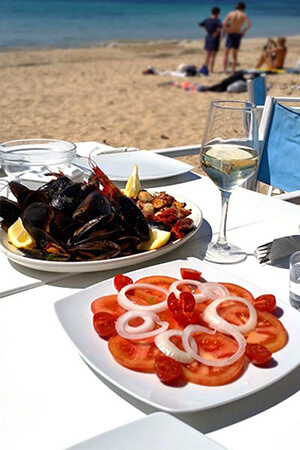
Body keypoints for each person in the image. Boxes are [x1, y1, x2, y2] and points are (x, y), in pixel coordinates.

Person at [223, 2, 251, 74]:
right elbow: (248, 25)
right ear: (243, 8)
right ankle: (232, 72)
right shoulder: (243, 15)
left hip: (230, 34)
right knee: (234, 55)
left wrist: (227, 31)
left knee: (226, 54)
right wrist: (243, 32)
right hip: (237, 34)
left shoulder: (231, 13)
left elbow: (224, 23)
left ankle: (225, 71)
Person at [199, 7, 222, 74]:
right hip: (214, 38)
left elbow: (200, 24)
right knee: (213, 55)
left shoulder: (207, 19)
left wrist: (206, 30)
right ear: (217, 13)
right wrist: (216, 33)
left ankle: (205, 67)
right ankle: (211, 70)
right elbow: (220, 27)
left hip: (208, 37)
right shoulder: (217, 20)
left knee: (208, 54)